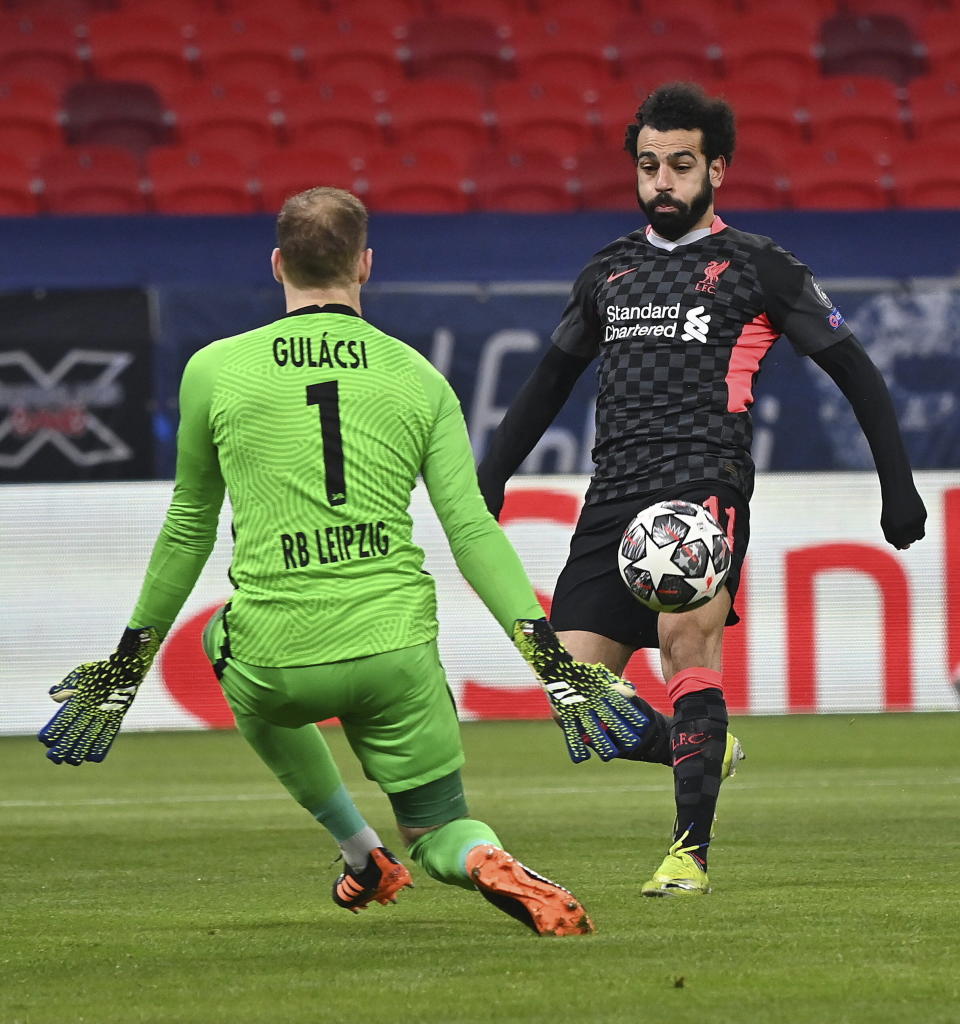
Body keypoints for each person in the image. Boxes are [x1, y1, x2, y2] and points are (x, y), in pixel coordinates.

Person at [38, 186, 650, 937]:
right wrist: (551, 660)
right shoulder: (418, 378)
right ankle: (480, 854)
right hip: (395, 652)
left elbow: (189, 526)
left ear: (276, 265)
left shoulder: (214, 370)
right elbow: (472, 532)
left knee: (215, 643)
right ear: (365, 265)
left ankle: (361, 854)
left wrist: (129, 662)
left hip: (277, 653)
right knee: (437, 828)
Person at [477, 82, 927, 896]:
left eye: (680, 166)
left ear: (716, 169)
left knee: (689, 645)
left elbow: (855, 369)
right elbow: (549, 379)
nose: (662, 183)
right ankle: (702, 746)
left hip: (701, 481)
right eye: (649, 166)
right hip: (613, 488)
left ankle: (689, 853)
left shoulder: (761, 268)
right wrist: (491, 474)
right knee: (578, 699)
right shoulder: (608, 271)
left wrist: (897, 487)